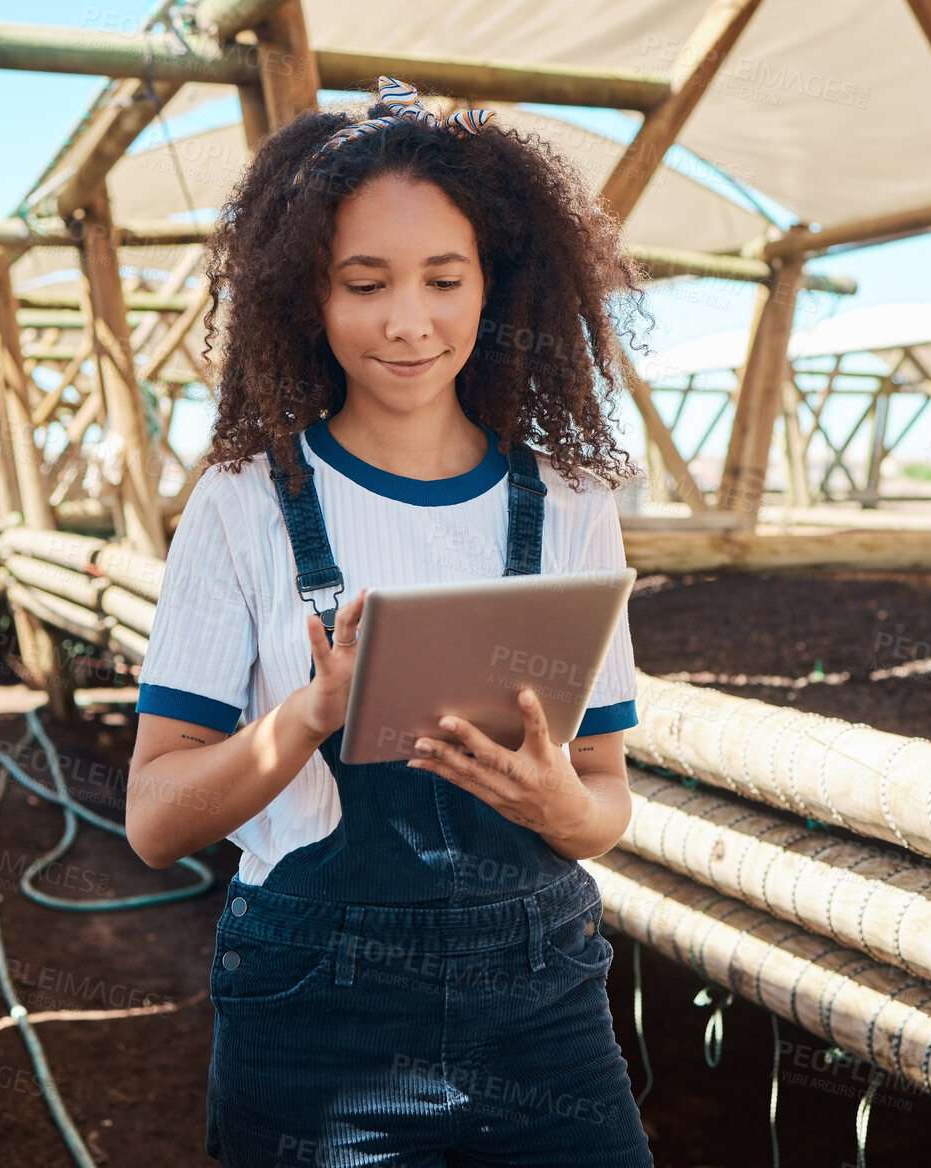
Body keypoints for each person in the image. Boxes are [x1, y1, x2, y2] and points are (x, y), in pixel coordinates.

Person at [125, 77, 656, 1166]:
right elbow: (154, 815)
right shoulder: (243, 503)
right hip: (319, 1012)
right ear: (304, 297)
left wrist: (559, 799)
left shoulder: (569, 503)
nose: (407, 321)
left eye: (442, 279)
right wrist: (311, 713)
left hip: (543, 1009)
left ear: (493, 286)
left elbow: (604, 800)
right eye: (363, 283)